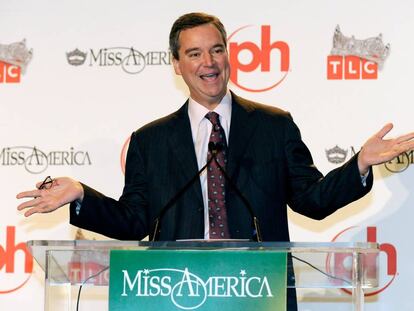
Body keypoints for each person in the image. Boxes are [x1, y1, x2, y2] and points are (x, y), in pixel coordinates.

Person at [16, 12, 414, 310]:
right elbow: (137, 221)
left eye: (217, 49)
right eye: (194, 53)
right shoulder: (150, 141)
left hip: (258, 292)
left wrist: (360, 163)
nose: (209, 62)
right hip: (174, 293)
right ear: (177, 64)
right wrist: (82, 195)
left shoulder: (274, 127)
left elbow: (312, 200)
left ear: (228, 55)